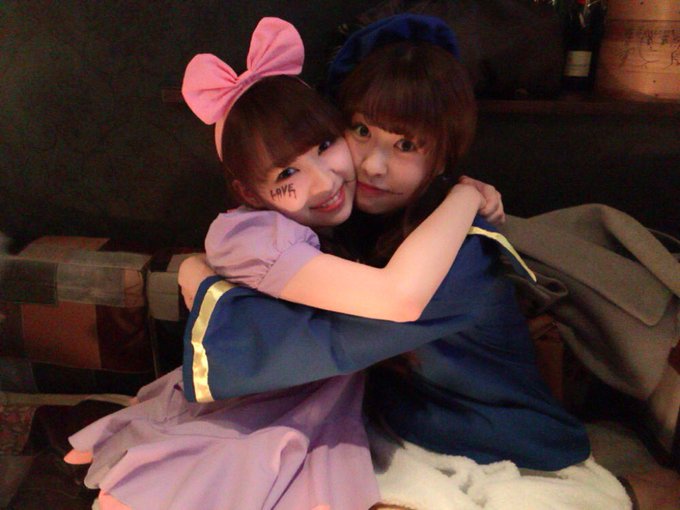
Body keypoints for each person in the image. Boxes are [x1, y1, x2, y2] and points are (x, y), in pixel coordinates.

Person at [178, 14, 641, 510]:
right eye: (360, 130)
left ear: (440, 159)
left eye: (405, 145)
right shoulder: (351, 221)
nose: (372, 165)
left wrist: (197, 278)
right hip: (405, 422)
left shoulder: (455, 258)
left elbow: (307, 338)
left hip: (498, 438)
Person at [62, 17, 502, 510]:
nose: (330, 179)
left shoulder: (414, 241)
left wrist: (196, 270)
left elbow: (376, 303)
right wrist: (465, 194)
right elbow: (375, 305)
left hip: (392, 414)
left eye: (326, 146)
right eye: (288, 172)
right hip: (285, 400)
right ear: (250, 192)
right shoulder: (271, 232)